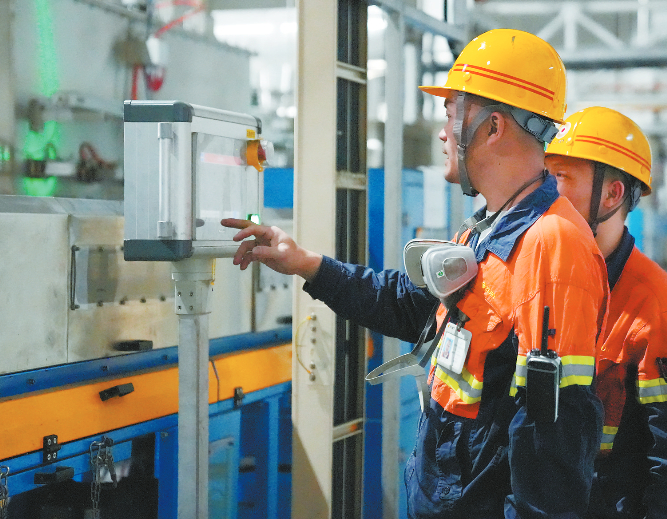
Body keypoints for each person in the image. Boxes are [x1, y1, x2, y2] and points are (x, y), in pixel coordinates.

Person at [223, 29, 609, 519]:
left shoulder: (552, 245)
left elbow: (555, 436)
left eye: (451, 114)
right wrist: (306, 264)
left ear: (493, 127)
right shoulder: (485, 229)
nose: (444, 133)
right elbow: (412, 306)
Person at [544, 106, 667, 519]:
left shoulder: (660, 306)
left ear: (611, 195)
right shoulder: (541, 281)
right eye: (545, 176)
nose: (545, 193)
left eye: (561, 177)